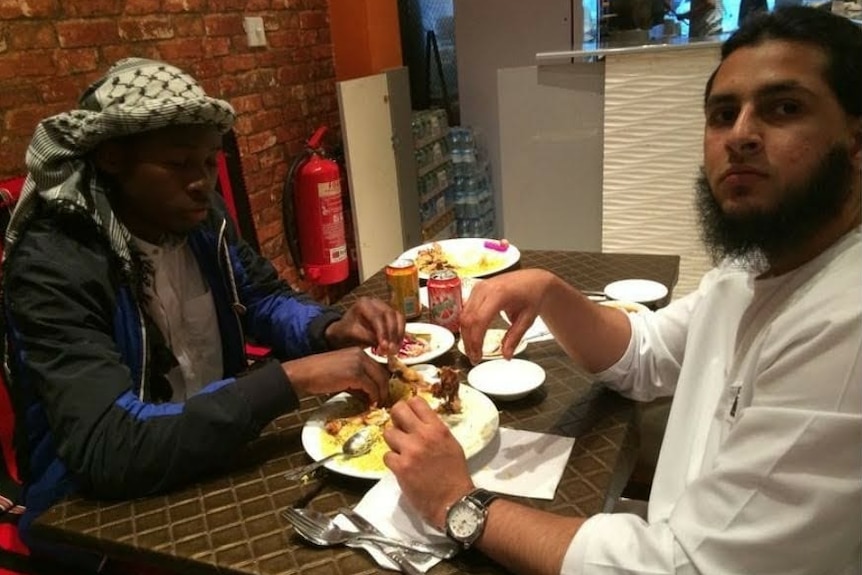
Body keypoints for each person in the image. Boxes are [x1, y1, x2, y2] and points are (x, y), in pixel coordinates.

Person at [382, 7, 861, 575]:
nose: (741, 136)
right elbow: (646, 354)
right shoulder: (751, 272)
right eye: (723, 113)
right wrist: (551, 292)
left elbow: (680, 566)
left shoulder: (844, 324)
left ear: (856, 140)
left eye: (785, 108)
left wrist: (457, 503)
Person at [1, 58, 403, 565]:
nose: (203, 183)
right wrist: (291, 379)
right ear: (111, 159)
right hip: (100, 515)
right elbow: (108, 447)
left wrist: (330, 327)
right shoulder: (57, 263)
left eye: (209, 162)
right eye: (178, 164)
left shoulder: (200, 219)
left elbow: (262, 298)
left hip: (217, 450)